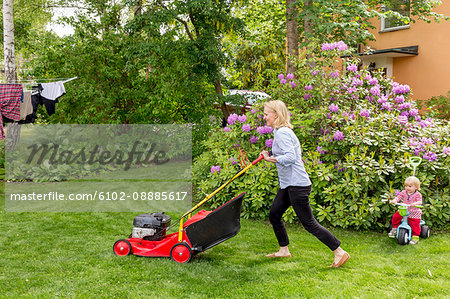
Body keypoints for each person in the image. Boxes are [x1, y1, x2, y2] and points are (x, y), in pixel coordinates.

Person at [260, 100, 350, 268]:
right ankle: (284, 250)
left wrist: (269, 158)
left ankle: (339, 251)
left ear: (276, 115)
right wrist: (270, 155)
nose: (264, 117)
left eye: (266, 114)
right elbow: (287, 155)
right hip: (288, 184)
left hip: (297, 185)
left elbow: (290, 158)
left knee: (309, 223)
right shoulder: (280, 131)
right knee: (274, 214)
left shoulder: (282, 133)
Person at [389, 176, 423, 244]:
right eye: (406, 186)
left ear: (416, 187)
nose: (407, 188)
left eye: (410, 186)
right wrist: (395, 200)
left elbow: (420, 202)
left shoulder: (418, 194)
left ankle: (415, 236)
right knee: (396, 217)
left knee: (415, 223)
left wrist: (415, 203)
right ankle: (395, 229)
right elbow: (399, 197)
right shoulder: (404, 192)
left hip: (414, 212)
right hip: (404, 209)